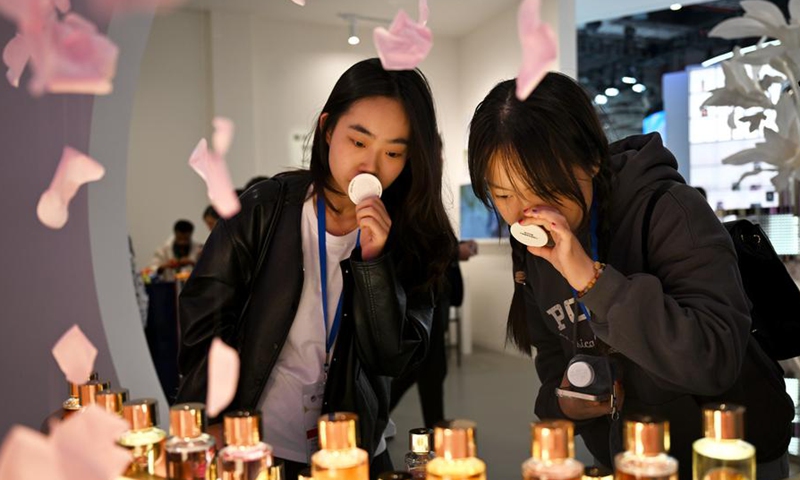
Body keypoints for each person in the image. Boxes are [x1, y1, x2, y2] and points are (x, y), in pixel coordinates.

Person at [467, 73, 793, 480]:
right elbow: (554, 359)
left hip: (727, 458)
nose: (523, 213)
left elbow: (715, 358)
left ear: (591, 160)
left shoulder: (670, 210)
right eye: (502, 194)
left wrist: (592, 280)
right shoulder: (531, 250)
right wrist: (566, 403)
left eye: (543, 188)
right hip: (629, 458)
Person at [176, 58, 455, 480]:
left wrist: (373, 262)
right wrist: (212, 415)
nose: (371, 166)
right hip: (258, 440)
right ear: (328, 129)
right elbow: (204, 316)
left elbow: (392, 358)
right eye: (358, 142)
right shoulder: (264, 208)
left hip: (356, 445)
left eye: (394, 152)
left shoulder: (414, 236)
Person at [389, 239, 477, 428]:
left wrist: (458, 246)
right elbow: (417, 244)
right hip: (422, 297)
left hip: (433, 295)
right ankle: (373, 418)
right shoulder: (410, 211)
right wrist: (455, 251)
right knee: (418, 366)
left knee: (432, 367)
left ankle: (434, 422)